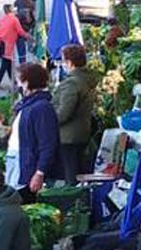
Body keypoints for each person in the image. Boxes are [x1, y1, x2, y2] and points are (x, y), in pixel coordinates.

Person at [7, 62, 61, 200]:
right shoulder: (29, 104)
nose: (18, 85)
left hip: (27, 166)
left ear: (27, 82)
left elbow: (48, 143)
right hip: (19, 161)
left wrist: (40, 172)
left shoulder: (41, 108)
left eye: (19, 81)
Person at [53, 44, 98, 183]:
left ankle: (73, 195)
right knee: (78, 173)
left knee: (71, 175)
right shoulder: (87, 79)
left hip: (68, 136)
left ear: (70, 62)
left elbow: (64, 112)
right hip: (82, 132)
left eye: (63, 60)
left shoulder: (72, 83)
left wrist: (48, 121)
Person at [0, 4, 29, 87]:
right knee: (6, 63)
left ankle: (13, 81)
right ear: (12, 10)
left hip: (1, 42)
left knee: (7, 63)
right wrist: (29, 37)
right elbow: (20, 31)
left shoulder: (2, 19)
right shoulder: (14, 19)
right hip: (8, 43)